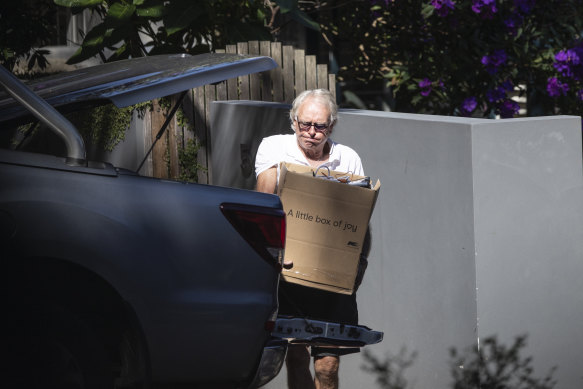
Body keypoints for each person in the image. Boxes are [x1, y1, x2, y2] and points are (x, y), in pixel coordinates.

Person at [255, 89, 367, 389]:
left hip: (332, 275)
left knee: (328, 363)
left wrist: (357, 267)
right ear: (293, 121)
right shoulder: (274, 148)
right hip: (290, 270)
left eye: (320, 126)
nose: (312, 132)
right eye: (305, 124)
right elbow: (263, 200)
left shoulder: (348, 158)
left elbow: (358, 220)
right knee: (296, 354)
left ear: (331, 126)